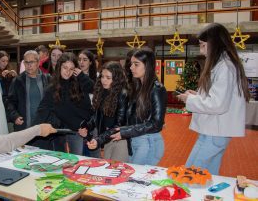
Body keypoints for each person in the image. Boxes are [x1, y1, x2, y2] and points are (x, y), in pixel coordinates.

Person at [177, 23, 250, 175]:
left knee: (191, 174)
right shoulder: (224, 65)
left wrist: (189, 100)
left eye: (203, 45)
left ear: (214, 44)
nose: (201, 50)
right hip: (214, 130)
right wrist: (197, 96)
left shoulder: (225, 66)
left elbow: (217, 104)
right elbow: (219, 98)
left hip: (215, 131)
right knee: (206, 175)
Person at [105, 49, 167, 165]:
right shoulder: (139, 87)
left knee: (136, 179)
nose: (131, 67)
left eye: (136, 64)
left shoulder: (157, 89)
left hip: (148, 141)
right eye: (131, 64)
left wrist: (126, 131)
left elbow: (156, 124)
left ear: (147, 65)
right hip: (137, 139)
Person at [36, 52, 94, 155]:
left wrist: (86, 127)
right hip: (58, 131)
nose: (68, 72)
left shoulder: (79, 85)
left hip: (76, 131)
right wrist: (34, 131)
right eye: (65, 67)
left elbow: (89, 108)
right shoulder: (51, 88)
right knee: (60, 161)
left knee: (76, 160)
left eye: (71, 69)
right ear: (59, 67)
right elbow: (42, 111)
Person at [81, 62, 129, 162]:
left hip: (120, 140)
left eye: (108, 77)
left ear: (116, 79)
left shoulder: (123, 94)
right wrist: (87, 126)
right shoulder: (102, 92)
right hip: (107, 139)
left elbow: (119, 125)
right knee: (107, 169)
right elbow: (96, 116)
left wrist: (99, 139)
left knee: (116, 171)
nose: (104, 80)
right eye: (102, 76)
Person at [7, 50, 51, 148]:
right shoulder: (17, 81)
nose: (29, 65)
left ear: (38, 62)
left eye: (32, 62)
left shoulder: (48, 79)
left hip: (43, 129)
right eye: (26, 62)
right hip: (24, 130)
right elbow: (10, 102)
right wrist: (15, 116)